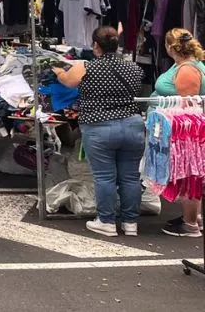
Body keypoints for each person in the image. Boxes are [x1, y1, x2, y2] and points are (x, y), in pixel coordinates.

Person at [53, 26, 144, 237]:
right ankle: (131, 223)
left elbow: (67, 81)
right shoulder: (133, 68)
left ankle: (107, 221)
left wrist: (57, 70)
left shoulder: (86, 67)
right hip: (132, 124)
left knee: (105, 176)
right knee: (130, 176)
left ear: (96, 46)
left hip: (99, 126)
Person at [156, 28, 205, 238]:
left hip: (187, 133)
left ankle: (190, 224)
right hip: (183, 131)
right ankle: (193, 217)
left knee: (189, 176)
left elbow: (188, 106)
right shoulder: (184, 66)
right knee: (188, 176)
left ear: (169, 47)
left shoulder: (187, 69)